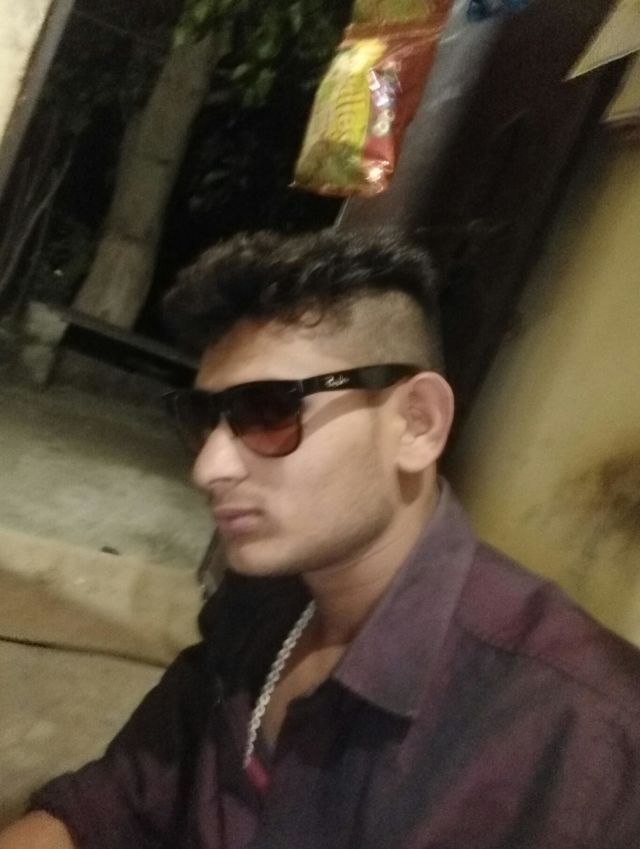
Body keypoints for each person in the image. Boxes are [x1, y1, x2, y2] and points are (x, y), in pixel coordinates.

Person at [2, 228, 640, 849]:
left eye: (269, 411)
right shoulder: (262, 597)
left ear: (417, 424)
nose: (209, 467)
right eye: (204, 417)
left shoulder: (580, 733)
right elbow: (119, 799)